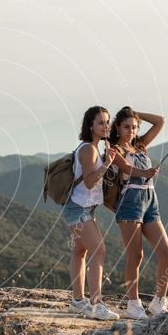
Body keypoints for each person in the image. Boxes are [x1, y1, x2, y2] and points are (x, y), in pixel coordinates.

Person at [109, 106, 168, 318]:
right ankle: (133, 304)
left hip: (150, 201)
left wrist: (137, 113)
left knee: (166, 253)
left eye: (134, 127)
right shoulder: (113, 149)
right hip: (130, 203)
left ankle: (158, 302)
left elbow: (160, 120)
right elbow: (127, 169)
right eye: (126, 127)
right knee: (135, 256)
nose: (131, 131)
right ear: (117, 127)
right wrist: (146, 172)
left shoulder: (140, 145)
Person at [62, 105, 120, 321]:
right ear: (90, 126)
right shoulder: (89, 149)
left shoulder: (92, 147)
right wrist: (107, 164)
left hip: (79, 207)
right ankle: (96, 304)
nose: (106, 126)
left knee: (79, 252)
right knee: (99, 250)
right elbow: (89, 182)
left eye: (107, 122)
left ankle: (78, 301)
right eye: (100, 123)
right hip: (79, 208)